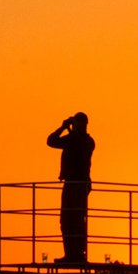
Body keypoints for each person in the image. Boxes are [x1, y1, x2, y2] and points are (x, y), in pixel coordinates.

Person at [47, 113, 96, 264]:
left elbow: (81, 149)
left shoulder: (86, 141)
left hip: (79, 184)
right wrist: (63, 127)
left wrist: (69, 130)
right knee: (66, 220)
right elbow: (51, 141)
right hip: (70, 183)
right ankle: (70, 254)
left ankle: (78, 254)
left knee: (77, 219)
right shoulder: (74, 139)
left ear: (83, 124)